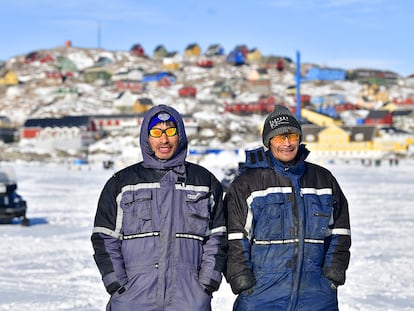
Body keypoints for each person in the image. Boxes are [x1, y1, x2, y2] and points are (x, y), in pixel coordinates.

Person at [91, 104, 227, 311]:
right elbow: (104, 237)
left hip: (188, 300)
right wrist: (117, 286)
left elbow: (217, 238)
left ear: (180, 134)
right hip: (133, 300)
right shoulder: (122, 183)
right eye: (156, 132)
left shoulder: (204, 181)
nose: (164, 139)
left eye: (170, 131)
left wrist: (205, 286)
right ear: (147, 137)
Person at [224, 105, 351, 311]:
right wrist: (242, 281)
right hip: (260, 297)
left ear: (299, 138)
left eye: (291, 136)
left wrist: (332, 276)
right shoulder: (247, 184)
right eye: (279, 137)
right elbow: (235, 237)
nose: (286, 143)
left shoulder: (323, 180)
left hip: (316, 297)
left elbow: (339, 232)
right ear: (268, 142)